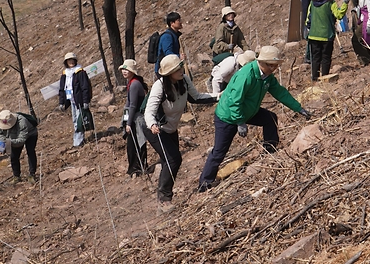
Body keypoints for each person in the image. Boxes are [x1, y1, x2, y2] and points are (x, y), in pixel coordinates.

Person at [198, 46, 311, 192]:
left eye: (275, 65)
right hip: (228, 116)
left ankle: (270, 151)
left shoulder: (267, 76)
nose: (273, 68)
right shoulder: (246, 75)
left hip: (248, 111)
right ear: (261, 62)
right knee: (219, 151)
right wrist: (240, 122)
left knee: (270, 118)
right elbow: (234, 100)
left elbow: (280, 92)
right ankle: (204, 183)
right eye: (270, 65)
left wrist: (298, 108)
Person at [143, 55, 218, 207]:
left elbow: (196, 97)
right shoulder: (159, 86)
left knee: (168, 160)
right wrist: (152, 124)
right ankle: (164, 200)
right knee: (174, 159)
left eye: (180, 67)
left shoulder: (184, 80)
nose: (180, 70)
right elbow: (148, 112)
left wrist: (218, 96)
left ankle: (161, 196)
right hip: (154, 128)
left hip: (171, 128)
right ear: (168, 72)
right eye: (176, 68)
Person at [305, 0, 348, 81]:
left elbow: (308, 19)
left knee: (315, 58)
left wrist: (310, 29)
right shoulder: (330, 3)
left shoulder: (312, 3)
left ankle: (314, 78)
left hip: (314, 35)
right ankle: (325, 79)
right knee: (325, 58)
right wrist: (345, 4)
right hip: (326, 35)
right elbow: (338, 15)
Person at [120, 59, 149, 178]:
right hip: (132, 116)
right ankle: (136, 167)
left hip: (136, 118)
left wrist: (128, 122)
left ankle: (138, 167)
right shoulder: (131, 83)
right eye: (123, 69)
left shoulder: (135, 84)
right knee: (133, 144)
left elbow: (132, 105)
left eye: (127, 69)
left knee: (135, 144)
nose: (124, 71)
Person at [58, 52, 92, 147]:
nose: (71, 62)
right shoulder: (65, 74)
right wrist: (62, 102)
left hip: (79, 100)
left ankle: (78, 142)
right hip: (71, 100)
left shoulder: (80, 72)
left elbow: (85, 87)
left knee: (79, 121)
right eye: (69, 60)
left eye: (72, 60)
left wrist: (86, 100)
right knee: (74, 120)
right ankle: (78, 139)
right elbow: (62, 89)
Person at [0, 109, 38, 182]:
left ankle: (32, 174)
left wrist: (8, 142)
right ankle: (16, 176)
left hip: (30, 134)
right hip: (13, 137)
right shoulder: (0, 120)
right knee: (14, 156)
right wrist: (2, 143)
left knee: (30, 151)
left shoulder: (21, 121)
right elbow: (0, 133)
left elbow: (21, 140)